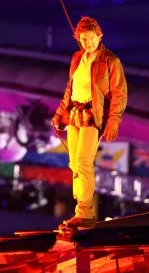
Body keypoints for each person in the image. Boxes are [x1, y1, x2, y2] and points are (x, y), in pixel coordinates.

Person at [51, 16, 127, 228]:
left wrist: (113, 123)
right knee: (74, 164)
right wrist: (59, 114)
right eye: (83, 40)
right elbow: (70, 88)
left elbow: (119, 94)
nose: (88, 43)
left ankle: (84, 212)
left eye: (91, 38)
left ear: (99, 36)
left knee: (84, 162)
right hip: (75, 113)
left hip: (93, 115)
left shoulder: (111, 61)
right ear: (78, 40)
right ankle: (80, 207)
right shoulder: (77, 58)